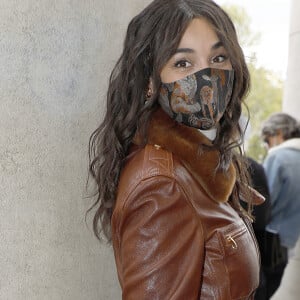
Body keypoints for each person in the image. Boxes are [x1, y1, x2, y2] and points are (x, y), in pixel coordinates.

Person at [89, 0, 264, 298]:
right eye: (183, 63)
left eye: (219, 57)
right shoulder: (162, 183)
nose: (207, 75)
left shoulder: (201, 165)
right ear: (150, 82)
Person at [261, 112, 300, 297]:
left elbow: (263, 202)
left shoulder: (278, 158)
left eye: (268, 140)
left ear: (278, 133)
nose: (268, 146)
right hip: (289, 243)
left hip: (267, 240)